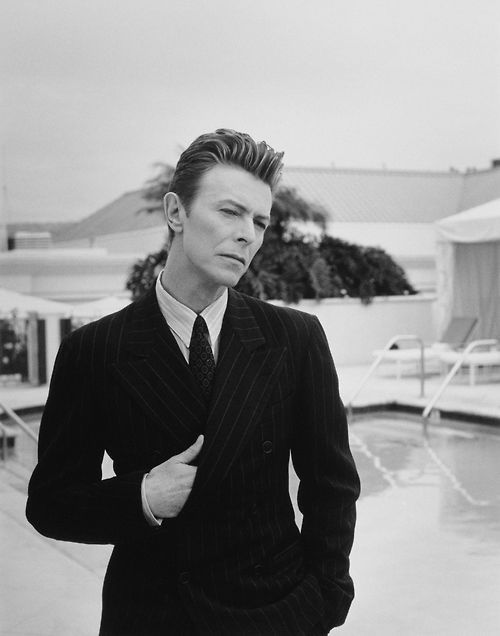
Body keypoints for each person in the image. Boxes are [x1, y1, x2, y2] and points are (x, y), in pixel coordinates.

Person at [26, 128, 360, 635]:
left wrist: (324, 601)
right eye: (230, 212)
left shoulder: (294, 338)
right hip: (152, 616)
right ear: (175, 212)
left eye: (260, 221)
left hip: (274, 612)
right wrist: (142, 496)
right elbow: (50, 505)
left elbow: (332, 487)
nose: (247, 235)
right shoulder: (94, 350)